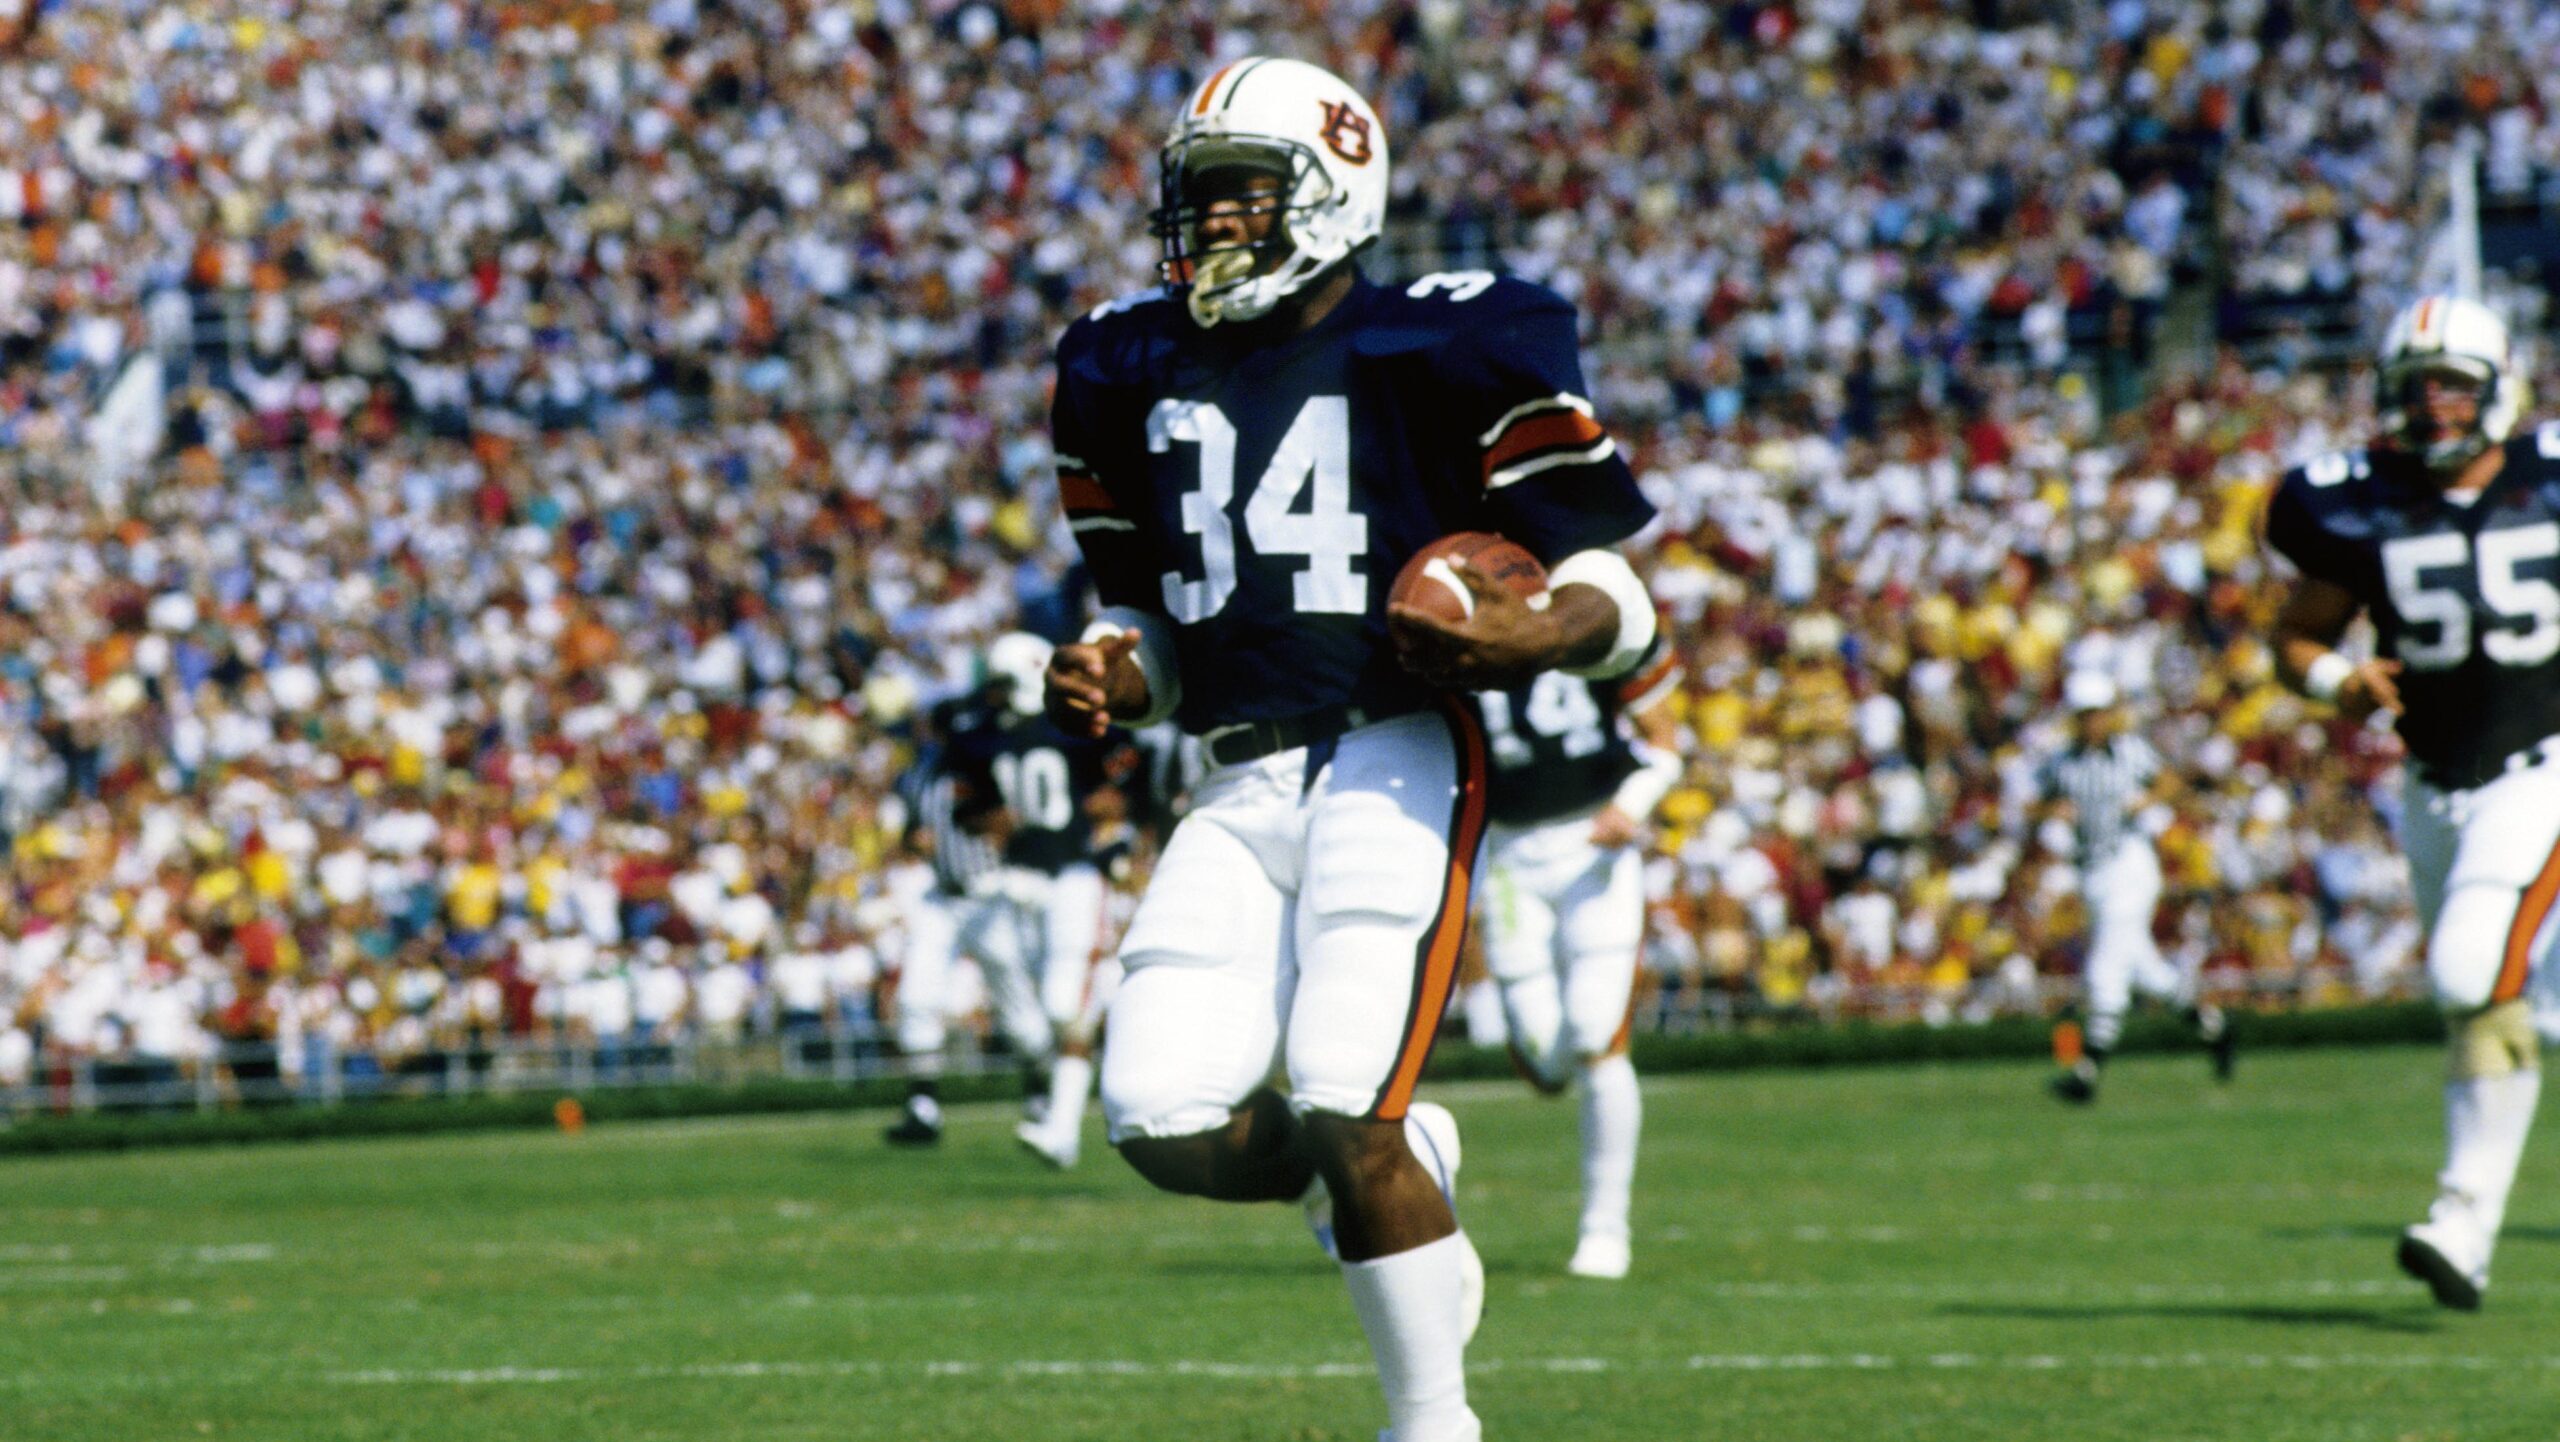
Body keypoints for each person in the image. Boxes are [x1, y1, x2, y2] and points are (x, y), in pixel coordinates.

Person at [1041, 57, 1659, 1442]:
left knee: (1342, 1089)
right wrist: (1115, 667)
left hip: (1394, 750)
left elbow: (1613, 587)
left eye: (1242, 199)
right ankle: (1364, 1176)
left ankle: (1432, 1421)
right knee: (1157, 1113)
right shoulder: (1125, 363)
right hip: (1236, 769)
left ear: (1333, 192)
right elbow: (1158, 620)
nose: (1211, 229)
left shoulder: (1448, 342)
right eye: (1197, 202)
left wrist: (1539, 633)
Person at [2263, 293, 2560, 1311]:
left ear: (2499, 389)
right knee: (2482, 1004)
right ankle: (2465, 1233)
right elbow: (2296, 632)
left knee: (2469, 968)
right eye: (2415, 386)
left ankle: (2457, 1212)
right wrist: (2329, 683)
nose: (2433, 406)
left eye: (2453, 385)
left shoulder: (2549, 483)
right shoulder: (2361, 502)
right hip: (2431, 787)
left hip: (2544, 767)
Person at [1471, 634, 1682, 1279]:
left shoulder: (1595, 615)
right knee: (1546, 1061)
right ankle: (1544, 1059)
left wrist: (1631, 805)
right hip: (1508, 855)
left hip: (1594, 847)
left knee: (1597, 1034)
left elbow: (1665, 745)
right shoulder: (1454, 629)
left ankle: (1604, 1231)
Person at [940, 631, 1139, 1168]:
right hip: (1021, 880)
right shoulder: (986, 738)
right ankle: (1058, 1117)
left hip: (1075, 875)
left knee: (1063, 1005)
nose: (996, 697)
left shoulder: (1072, 730)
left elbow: (1120, 788)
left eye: (1004, 685)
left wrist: (1112, 833)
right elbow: (969, 808)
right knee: (1032, 1010)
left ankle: (1061, 1127)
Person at [2041, 671, 2233, 1103]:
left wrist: (2146, 801)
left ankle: (2086, 1072)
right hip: (2091, 871)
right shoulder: (2062, 762)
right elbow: (2036, 801)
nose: (2092, 723)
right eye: (2084, 715)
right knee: (2147, 971)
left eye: (2097, 714)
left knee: (2106, 967)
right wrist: (2053, 813)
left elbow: (2170, 781)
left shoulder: (2129, 751)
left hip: (2130, 865)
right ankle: (2215, 1028)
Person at [881, 691, 1005, 1148]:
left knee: (1020, 1002)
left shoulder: (990, 767)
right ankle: (923, 1105)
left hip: (992, 891)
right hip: (941, 896)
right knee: (916, 996)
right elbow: (910, 834)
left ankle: (1040, 1093)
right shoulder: (919, 776)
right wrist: (916, 840)